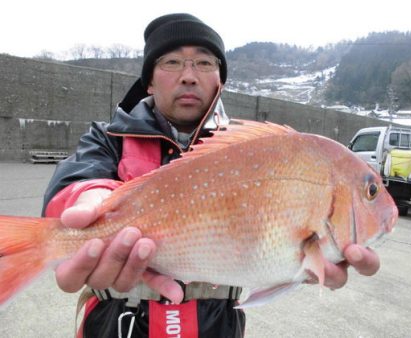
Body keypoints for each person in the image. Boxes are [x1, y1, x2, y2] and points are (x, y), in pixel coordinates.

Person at [42, 13, 381, 338]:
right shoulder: (108, 137)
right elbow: (76, 180)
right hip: (117, 323)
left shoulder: (253, 152)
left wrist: (307, 260)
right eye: (171, 62)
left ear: (220, 79)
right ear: (148, 81)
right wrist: (88, 204)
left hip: (216, 325)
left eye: (204, 62)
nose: (189, 75)